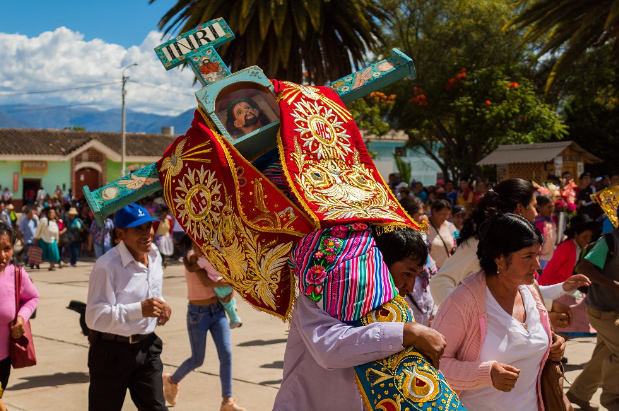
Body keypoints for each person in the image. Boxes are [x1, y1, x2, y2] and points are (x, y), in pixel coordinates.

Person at [273, 225, 449, 410]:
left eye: (416, 276)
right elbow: (328, 349)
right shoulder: (319, 296)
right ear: (380, 266)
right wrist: (407, 333)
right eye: (406, 274)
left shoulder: (395, 310)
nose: (410, 287)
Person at [432, 213, 566, 410]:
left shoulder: (530, 291)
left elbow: (532, 341)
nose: (537, 265)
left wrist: (553, 345)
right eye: (528, 256)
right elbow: (434, 365)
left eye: (537, 255)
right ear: (500, 259)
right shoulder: (462, 302)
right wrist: (484, 373)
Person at [85, 203, 171, 411]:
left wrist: (163, 304)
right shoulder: (107, 266)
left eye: (148, 226)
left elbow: (153, 293)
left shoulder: (155, 256)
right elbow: (94, 317)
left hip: (147, 348)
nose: (147, 233)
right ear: (121, 233)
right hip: (111, 354)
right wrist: (140, 310)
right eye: (138, 229)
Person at [162, 236, 244, 410]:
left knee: (226, 354)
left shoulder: (212, 254)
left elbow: (222, 275)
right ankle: (171, 380)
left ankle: (227, 402)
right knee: (198, 359)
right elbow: (208, 281)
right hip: (198, 314)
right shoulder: (192, 256)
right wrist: (232, 281)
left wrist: (230, 289)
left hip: (217, 311)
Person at [566, 205, 619, 411]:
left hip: (615, 310)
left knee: (603, 357)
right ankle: (612, 399)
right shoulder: (610, 240)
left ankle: (577, 395)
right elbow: (584, 268)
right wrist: (613, 285)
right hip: (601, 310)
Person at [0, 222, 39, 407]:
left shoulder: (17, 275)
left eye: (7, 249)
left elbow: (32, 297)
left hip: (2, 361)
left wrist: (21, 318)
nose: (2, 255)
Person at [539, 214, 598, 335]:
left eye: (590, 236)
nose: (587, 239)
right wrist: (538, 289)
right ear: (576, 234)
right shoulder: (565, 247)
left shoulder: (583, 248)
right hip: (557, 289)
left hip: (567, 289)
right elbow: (550, 269)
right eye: (585, 236)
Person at [400, 196, 438, 325]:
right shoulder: (400, 236)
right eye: (420, 214)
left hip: (422, 285)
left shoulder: (420, 232)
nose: (423, 217)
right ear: (409, 215)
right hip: (410, 287)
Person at [427, 199, 457, 269]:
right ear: (434, 211)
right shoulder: (424, 227)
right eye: (443, 214)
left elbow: (457, 242)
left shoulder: (450, 226)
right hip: (430, 272)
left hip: (447, 270)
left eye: (447, 215)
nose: (445, 217)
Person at [534, 194, 557, 269]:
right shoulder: (539, 224)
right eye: (549, 207)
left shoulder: (552, 222)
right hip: (540, 260)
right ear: (539, 208)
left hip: (550, 259)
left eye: (553, 206)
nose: (551, 209)